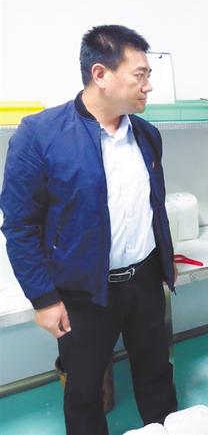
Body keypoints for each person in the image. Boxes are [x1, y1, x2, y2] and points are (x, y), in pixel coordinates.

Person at [0, 25, 177, 434]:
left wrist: (165, 264)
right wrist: (44, 299)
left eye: (149, 75)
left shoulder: (146, 135)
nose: (148, 86)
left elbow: (153, 208)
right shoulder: (40, 135)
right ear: (101, 74)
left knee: (156, 372)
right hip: (83, 293)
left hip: (145, 282)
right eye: (140, 75)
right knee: (83, 389)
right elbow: (20, 225)